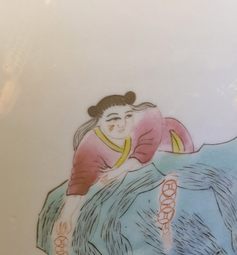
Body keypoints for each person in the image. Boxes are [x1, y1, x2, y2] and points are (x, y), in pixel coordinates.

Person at [54, 91, 194, 240]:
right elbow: (79, 185)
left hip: (172, 144)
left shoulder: (147, 118)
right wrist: (66, 217)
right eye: (113, 119)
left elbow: (144, 153)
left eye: (127, 116)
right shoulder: (90, 147)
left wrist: (117, 172)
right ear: (99, 121)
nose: (122, 124)